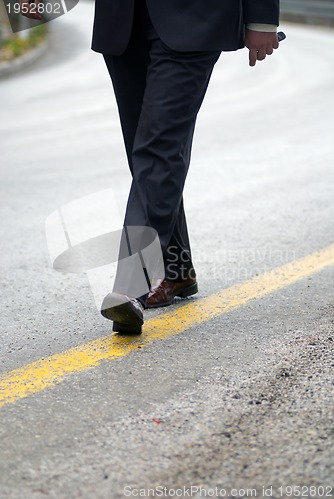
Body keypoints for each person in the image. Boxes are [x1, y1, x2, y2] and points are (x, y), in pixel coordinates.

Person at [20, 0, 281, 335]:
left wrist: (261, 17)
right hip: (123, 19)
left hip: (196, 18)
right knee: (144, 155)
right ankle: (176, 267)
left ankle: (131, 285)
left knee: (157, 149)